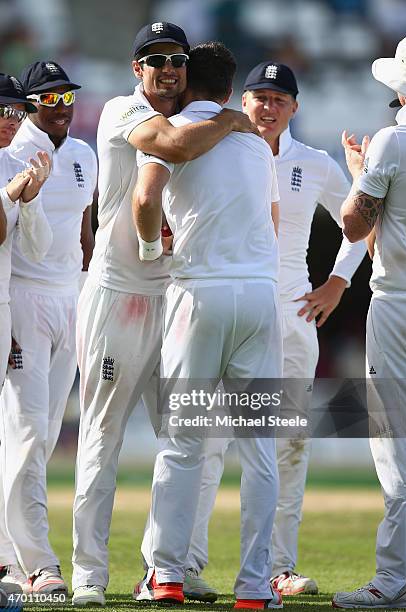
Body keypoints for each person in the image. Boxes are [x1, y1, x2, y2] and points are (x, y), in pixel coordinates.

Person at [161, 61, 367, 599]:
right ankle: (186, 565)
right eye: (260, 97)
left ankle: (279, 565)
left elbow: (360, 221)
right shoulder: (216, 145)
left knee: (287, 444)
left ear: (295, 108)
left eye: (280, 99)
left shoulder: (314, 163)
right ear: (242, 101)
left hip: (290, 312)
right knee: (204, 440)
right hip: (226, 301)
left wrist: (337, 284)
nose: (268, 108)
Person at [71, 21, 257, 608]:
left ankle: (172, 567)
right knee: (102, 436)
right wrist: (230, 119)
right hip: (119, 294)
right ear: (137, 69)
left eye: (176, 59)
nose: (167, 69)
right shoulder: (124, 112)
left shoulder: (193, 118)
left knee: (193, 440)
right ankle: (88, 575)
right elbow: (171, 149)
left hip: (179, 296)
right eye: (154, 60)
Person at [132, 41, 283, 609]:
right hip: (260, 297)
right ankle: (253, 589)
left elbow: (146, 197)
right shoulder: (254, 142)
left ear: (188, 79)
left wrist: (151, 251)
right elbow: (270, 217)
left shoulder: (180, 131)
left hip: (201, 293)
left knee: (183, 445)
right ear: (231, 87)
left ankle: (167, 575)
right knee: (260, 450)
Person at [0, 60, 97, 595]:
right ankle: (36, 562)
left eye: (67, 98)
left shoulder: (83, 155)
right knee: (27, 431)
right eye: (49, 99)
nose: (61, 108)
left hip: (70, 299)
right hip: (22, 298)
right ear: (31, 103)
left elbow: (83, 232)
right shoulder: (9, 152)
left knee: (42, 432)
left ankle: (12, 558)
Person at [333, 37, 406, 609]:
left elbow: (357, 226)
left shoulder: (393, 139)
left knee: (393, 441)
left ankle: (392, 577)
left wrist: (359, 174)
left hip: (399, 304)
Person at [0, 73, 52, 394]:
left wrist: (30, 200)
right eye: (5, 110)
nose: (13, 121)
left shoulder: (17, 163)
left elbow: (37, 250)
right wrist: (7, 196)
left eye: (19, 113)